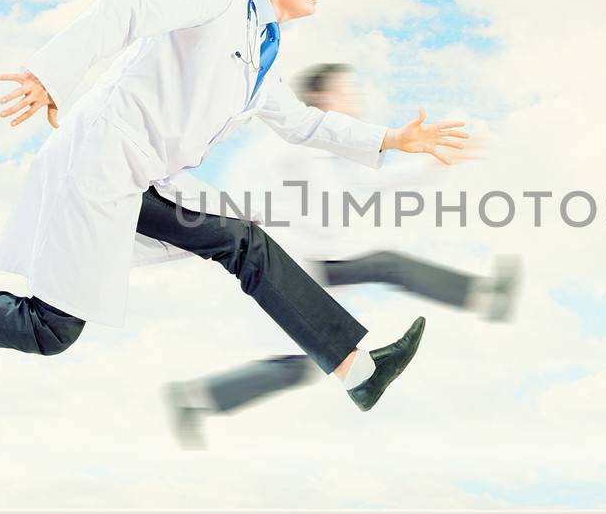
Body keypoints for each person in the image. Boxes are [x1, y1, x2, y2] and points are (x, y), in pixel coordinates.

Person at [0, 0, 470, 413]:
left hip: (138, 180)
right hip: (101, 163)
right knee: (51, 329)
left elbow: (304, 122)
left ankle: (356, 370)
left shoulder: (261, 56)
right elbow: (128, 6)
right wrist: (51, 75)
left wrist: (393, 138)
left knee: (242, 241)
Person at [163, 62, 521, 448]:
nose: (354, 100)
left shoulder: (326, 154)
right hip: (287, 265)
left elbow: (376, 183)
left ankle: (197, 398)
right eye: (344, 91)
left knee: (297, 366)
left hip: (310, 263)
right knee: (382, 271)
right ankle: (483, 296)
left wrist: (432, 164)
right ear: (320, 98)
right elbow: (241, 208)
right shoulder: (285, 149)